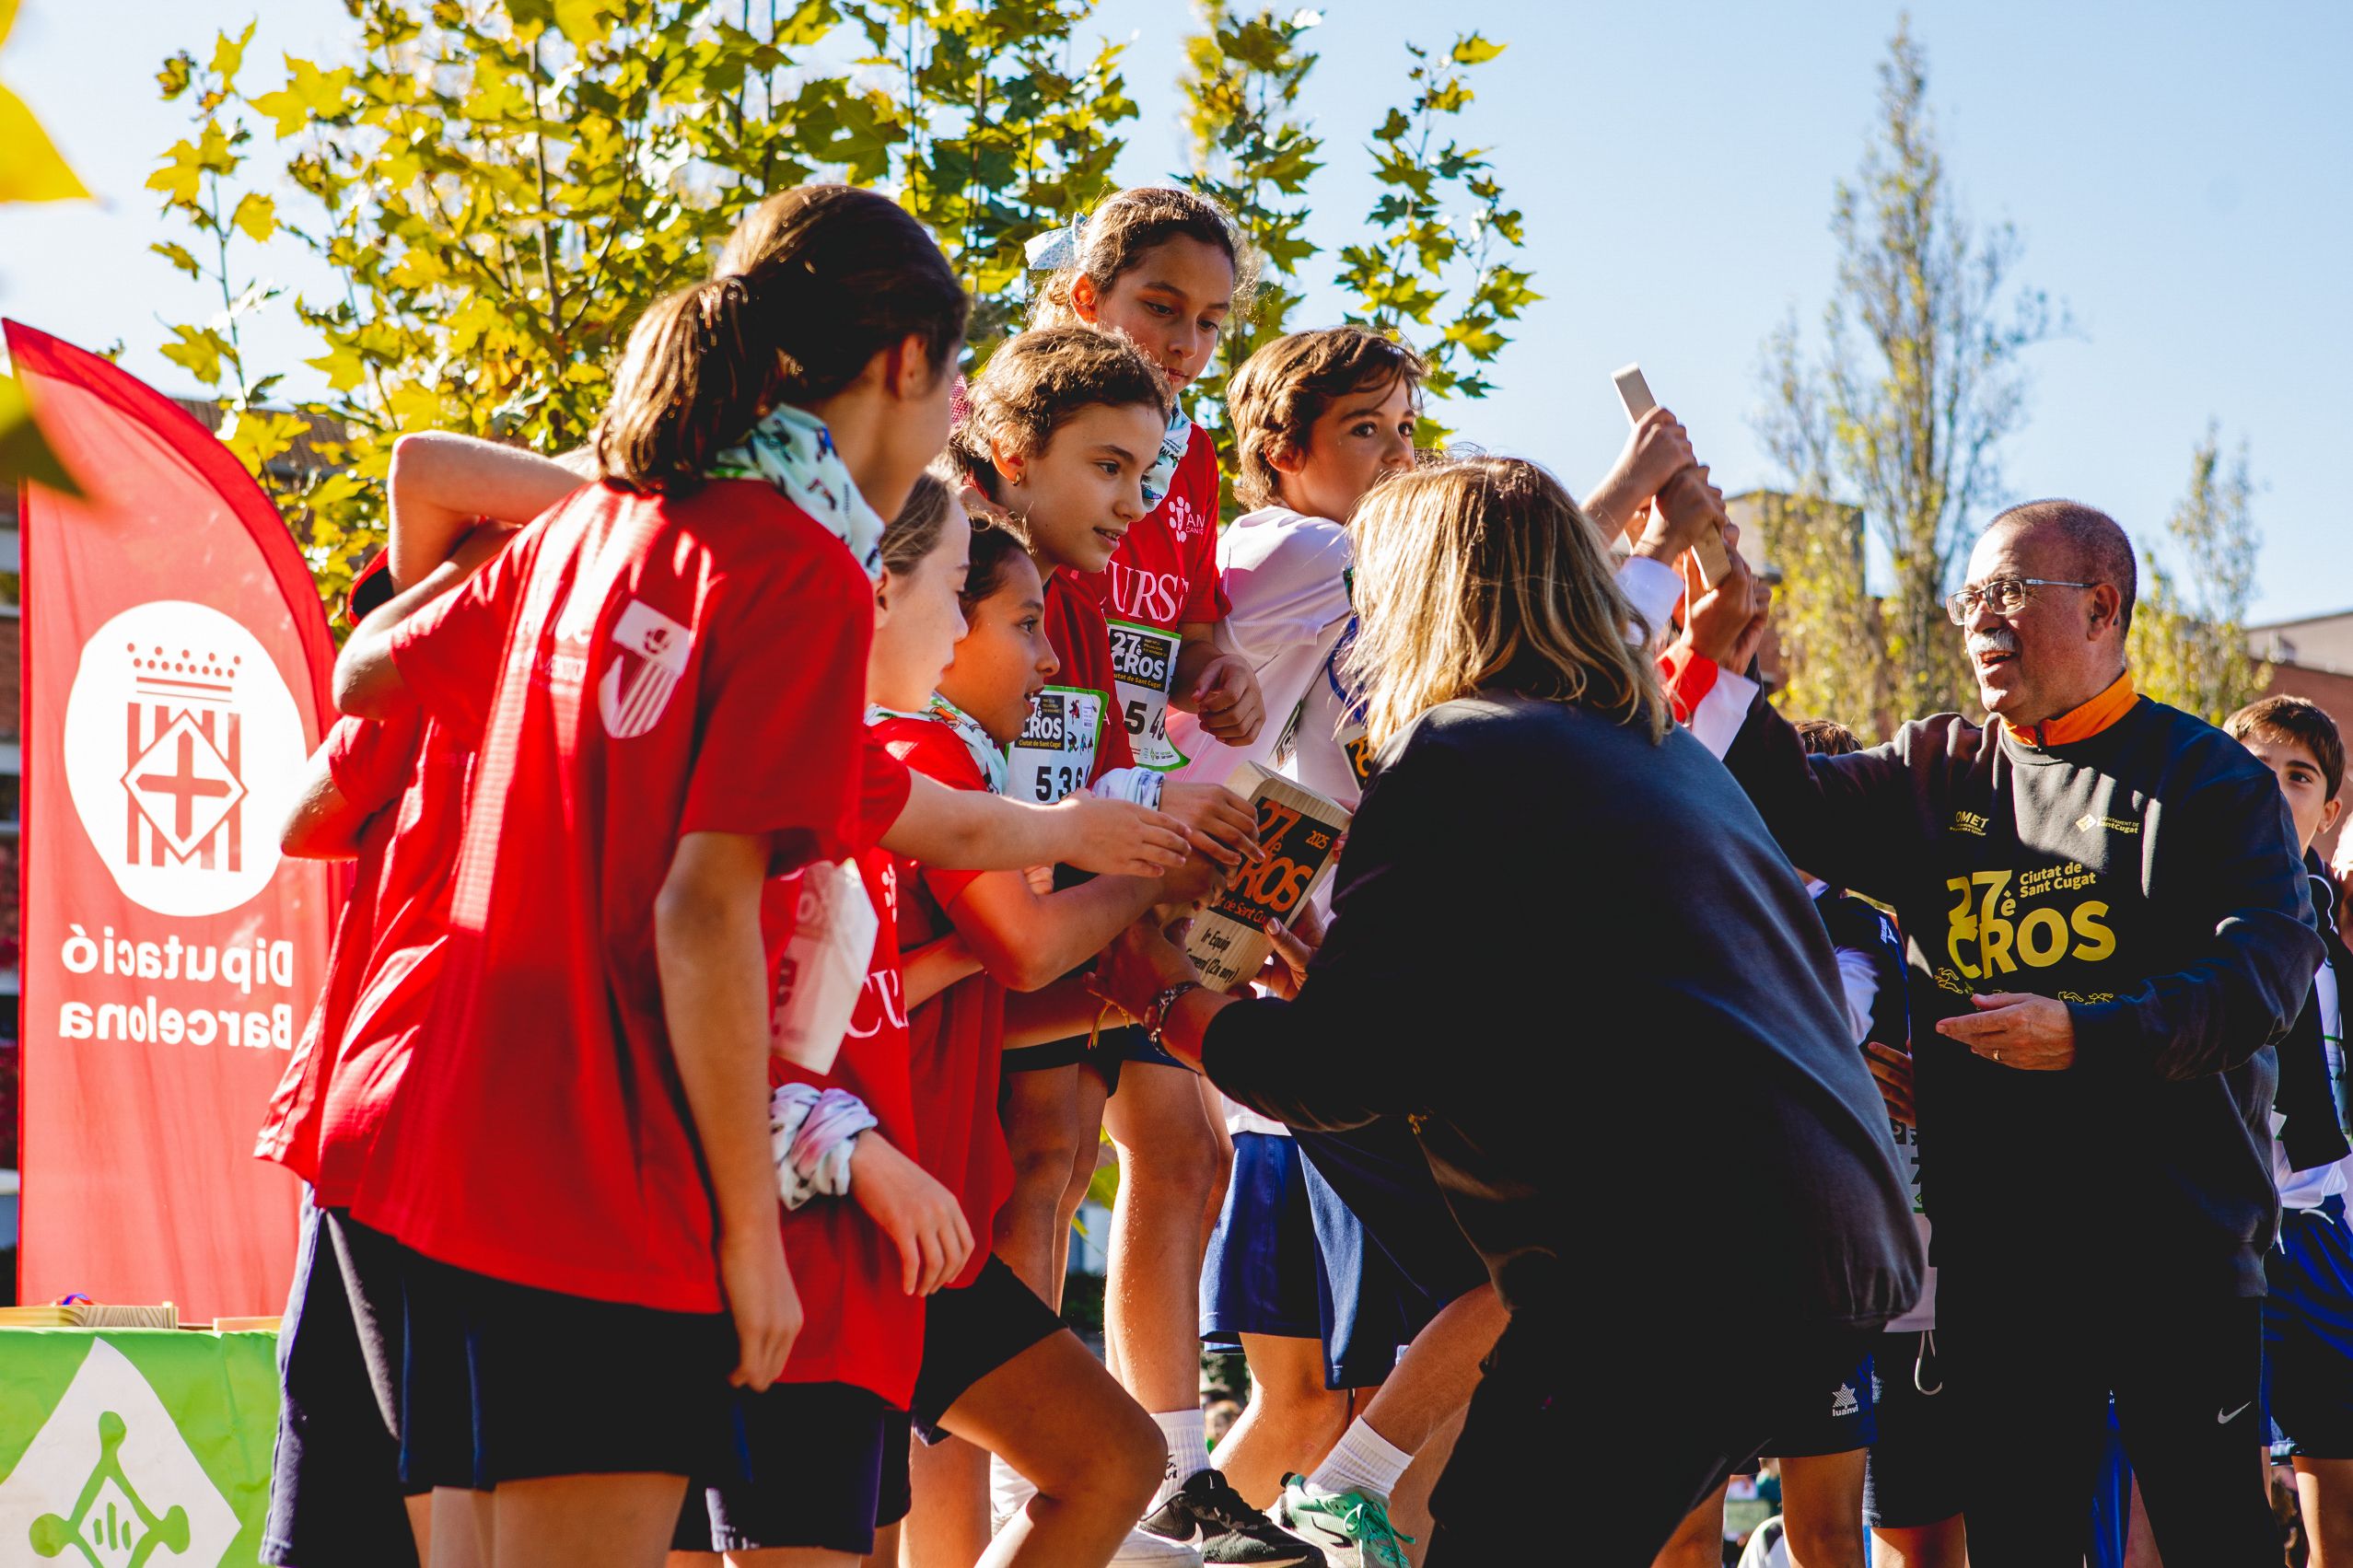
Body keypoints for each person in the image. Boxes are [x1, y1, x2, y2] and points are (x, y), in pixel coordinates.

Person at [321, 186, 1184, 1568]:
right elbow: (703, 908)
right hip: (604, 1164)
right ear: (904, 362)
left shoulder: (585, 526)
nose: (954, 413)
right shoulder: (790, 566)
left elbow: (367, 677)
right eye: (957, 376)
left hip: (444, 1135)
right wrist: (747, 1228)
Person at [1089, 456, 1921, 1565]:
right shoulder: (1664, 754)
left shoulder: (1460, 746)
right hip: (1826, 1242)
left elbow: (1342, 1073)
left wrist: (1168, 1001)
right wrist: (1335, 975)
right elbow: (1529, 1005)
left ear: (1414, 591)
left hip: (1660, 1264)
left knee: (1500, 1536)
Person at [1678, 498, 2323, 1564]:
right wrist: (1723, 663)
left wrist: (2086, 1033)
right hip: (2001, 1265)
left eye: (2009, 591)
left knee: (2213, 1540)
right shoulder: (1934, 767)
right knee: (2020, 1541)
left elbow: (2260, 977)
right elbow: (1777, 804)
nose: (1980, 618)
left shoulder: (2212, 782)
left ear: (2102, 606)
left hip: (2178, 1257)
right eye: (1967, 595)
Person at [940, 322, 1271, 1566]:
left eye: (1147, 475)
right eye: (1108, 469)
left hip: (1030, 970)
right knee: (998, 1220)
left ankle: (1020, 1517)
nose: (1134, 504)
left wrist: (1160, 835)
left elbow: (1070, 771)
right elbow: (1003, 859)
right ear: (1013, 453)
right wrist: (1145, 838)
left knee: (1055, 1171)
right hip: (927, 1036)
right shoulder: (962, 577)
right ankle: (968, 1530)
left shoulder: (1066, 595)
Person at [873, 509, 1230, 1568]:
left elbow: (989, 988)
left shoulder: (939, 750)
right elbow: (1024, 951)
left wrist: (1182, 978)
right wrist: (1150, 880)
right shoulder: (917, 747)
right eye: (1025, 625)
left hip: (929, 1217)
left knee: (1110, 1462)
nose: (1046, 657)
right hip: (869, 1215)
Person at [1028, 187, 1276, 1562]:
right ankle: (995, 1456)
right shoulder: (1017, 438)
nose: (1184, 344)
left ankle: (1162, 1467)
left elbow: (1185, 631)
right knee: (1044, 1152)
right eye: (1159, 308)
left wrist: (1216, 669)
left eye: (1207, 322)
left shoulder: (1181, 463)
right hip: (1039, 825)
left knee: (1176, 1145)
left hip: (1142, 830)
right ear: (1084, 299)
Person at [2226, 694, 2353, 1565]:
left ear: (2329, 807)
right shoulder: (2182, 909)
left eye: (2298, 776)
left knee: (2334, 1502)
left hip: (2322, 1225)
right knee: (2217, 1491)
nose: (2274, 791)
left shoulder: (2335, 930)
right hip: (2218, 1233)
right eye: (2252, 770)